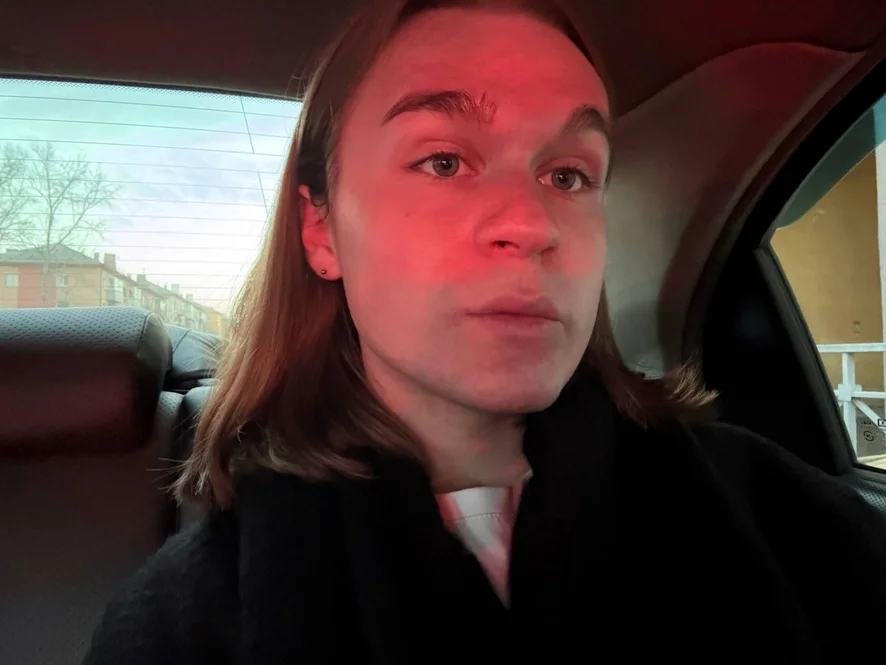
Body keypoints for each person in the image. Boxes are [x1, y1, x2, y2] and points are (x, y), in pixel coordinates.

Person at [83, 0, 886, 662]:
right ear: (319, 229)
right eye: (444, 161)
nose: (532, 223)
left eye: (568, 174)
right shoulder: (180, 627)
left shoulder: (783, 518)